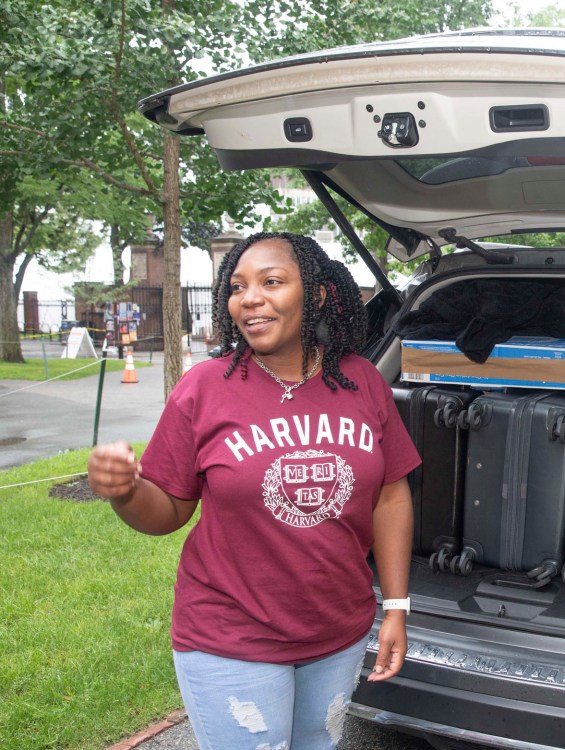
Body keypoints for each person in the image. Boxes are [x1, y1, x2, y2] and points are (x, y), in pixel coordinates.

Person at [87, 232, 420, 750]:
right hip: (230, 636)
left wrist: (395, 605)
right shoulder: (204, 387)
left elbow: (390, 497)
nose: (249, 298)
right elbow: (170, 510)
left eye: (271, 282)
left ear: (317, 296)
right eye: (237, 286)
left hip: (338, 633)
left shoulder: (362, 382)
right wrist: (127, 491)